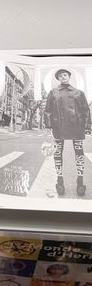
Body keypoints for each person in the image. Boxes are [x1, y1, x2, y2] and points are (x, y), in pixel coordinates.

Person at [43, 69, 92, 197]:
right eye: (60, 76)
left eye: (65, 74)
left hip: (77, 127)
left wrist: (86, 126)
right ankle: (60, 181)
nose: (63, 77)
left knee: (79, 152)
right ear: (58, 79)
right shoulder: (53, 92)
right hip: (58, 127)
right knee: (58, 153)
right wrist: (49, 126)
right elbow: (48, 110)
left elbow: (86, 110)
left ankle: (80, 181)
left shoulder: (79, 93)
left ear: (69, 76)